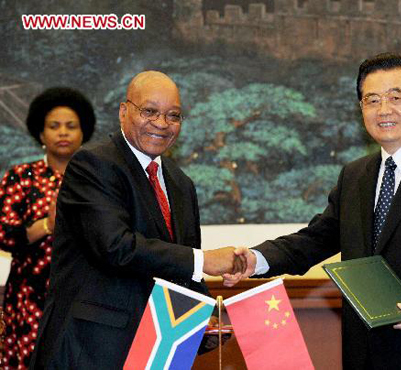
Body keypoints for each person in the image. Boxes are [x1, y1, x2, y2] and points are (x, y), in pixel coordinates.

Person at [226, 53, 401, 369]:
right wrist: (255, 260)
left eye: (396, 97)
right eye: (372, 100)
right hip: (363, 353)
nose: (384, 110)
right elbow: (314, 240)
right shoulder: (355, 175)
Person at [30, 71, 243, 369]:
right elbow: (116, 246)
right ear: (123, 111)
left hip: (160, 352)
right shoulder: (93, 164)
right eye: (149, 111)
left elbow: (179, 269)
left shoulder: (181, 184)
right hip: (92, 350)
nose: (161, 123)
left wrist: (205, 316)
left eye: (173, 115)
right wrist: (204, 260)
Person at [0, 87, 95, 369]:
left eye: (71, 126)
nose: (62, 133)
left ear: (83, 133)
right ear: (41, 134)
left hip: (86, 297)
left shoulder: (97, 179)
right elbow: (4, 233)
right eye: (54, 126)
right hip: (30, 298)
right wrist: (47, 225)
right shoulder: (21, 177)